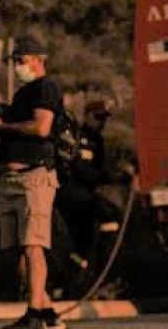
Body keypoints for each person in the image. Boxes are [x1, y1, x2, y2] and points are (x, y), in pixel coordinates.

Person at [0, 36, 66, 329]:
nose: (16, 66)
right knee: (19, 250)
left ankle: (34, 316)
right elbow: (17, 121)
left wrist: (0, 127)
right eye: (14, 62)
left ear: (36, 59)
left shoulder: (46, 88)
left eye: (19, 60)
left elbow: (41, 126)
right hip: (12, 180)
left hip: (34, 177)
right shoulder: (23, 94)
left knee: (33, 246)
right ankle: (47, 314)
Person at [55, 98, 119, 265]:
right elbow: (78, 167)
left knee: (83, 242)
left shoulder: (97, 141)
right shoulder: (75, 135)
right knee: (108, 214)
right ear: (87, 116)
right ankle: (105, 269)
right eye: (98, 117)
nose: (101, 122)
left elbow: (100, 169)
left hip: (85, 193)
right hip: (69, 191)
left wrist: (119, 177)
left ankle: (70, 282)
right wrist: (102, 178)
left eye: (104, 119)